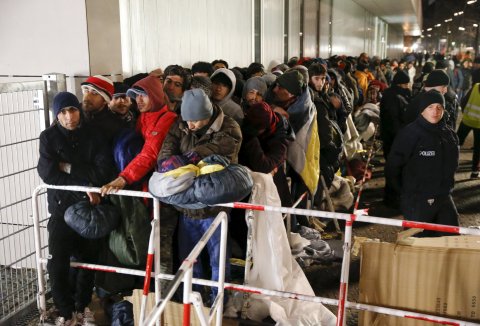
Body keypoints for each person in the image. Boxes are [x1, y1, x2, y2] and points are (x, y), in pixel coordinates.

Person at [37, 92, 115, 325]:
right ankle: (64, 311)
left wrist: (68, 168)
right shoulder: (48, 137)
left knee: (88, 259)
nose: (69, 116)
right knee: (56, 260)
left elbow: (102, 172)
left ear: (79, 110)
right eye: (62, 112)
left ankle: (81, 308)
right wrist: (84, 185)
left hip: (89, 208)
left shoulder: (94, 134)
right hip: (61, 208)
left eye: (72, 110)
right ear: (56, 115)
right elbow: (48, 174)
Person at [157, 88, 242, 302]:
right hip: (188, 207)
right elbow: (167, 150)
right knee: (189, 260)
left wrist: (187, 159)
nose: (190, 126)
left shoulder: (229, 127)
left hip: (215, 208)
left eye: (195, 121)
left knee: (218, 259)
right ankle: (193, 301)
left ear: (207, 115)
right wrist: (167, 163)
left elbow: (219, 155)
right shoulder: (181, 124)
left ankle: (218, 301)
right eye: (187, 121)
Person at [386, 90, 459, 237]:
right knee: (418, 245)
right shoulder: (409, 134)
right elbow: (393, 168)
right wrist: (407, 194)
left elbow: (453, 165)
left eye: (439, 107)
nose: (435, 111)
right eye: (430, 107)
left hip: (443, 197)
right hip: (417, 200)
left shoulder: (450, 135)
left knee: (452, 241)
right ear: (422, 109)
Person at [100, 76, 177, 195]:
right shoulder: (144, 115)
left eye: (143, 95)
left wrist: (124, 178)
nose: (138, 100)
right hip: (141, 175)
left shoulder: (167, 118)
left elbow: (150, 153)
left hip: (158, 178)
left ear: (155, 95)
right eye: (136, 95)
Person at [81, 75, 126, 143]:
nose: (87, 96)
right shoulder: (73, 114)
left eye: (94, 93)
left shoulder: (114, 126)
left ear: (105, 100)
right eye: (86, 90)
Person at [457, 69, 480, 178]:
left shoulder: (476, 87)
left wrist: (465, 112)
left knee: (457, 142)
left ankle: (451, 163)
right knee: (478, 149)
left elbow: (464, 101)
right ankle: (475, 172)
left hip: (467, 120)